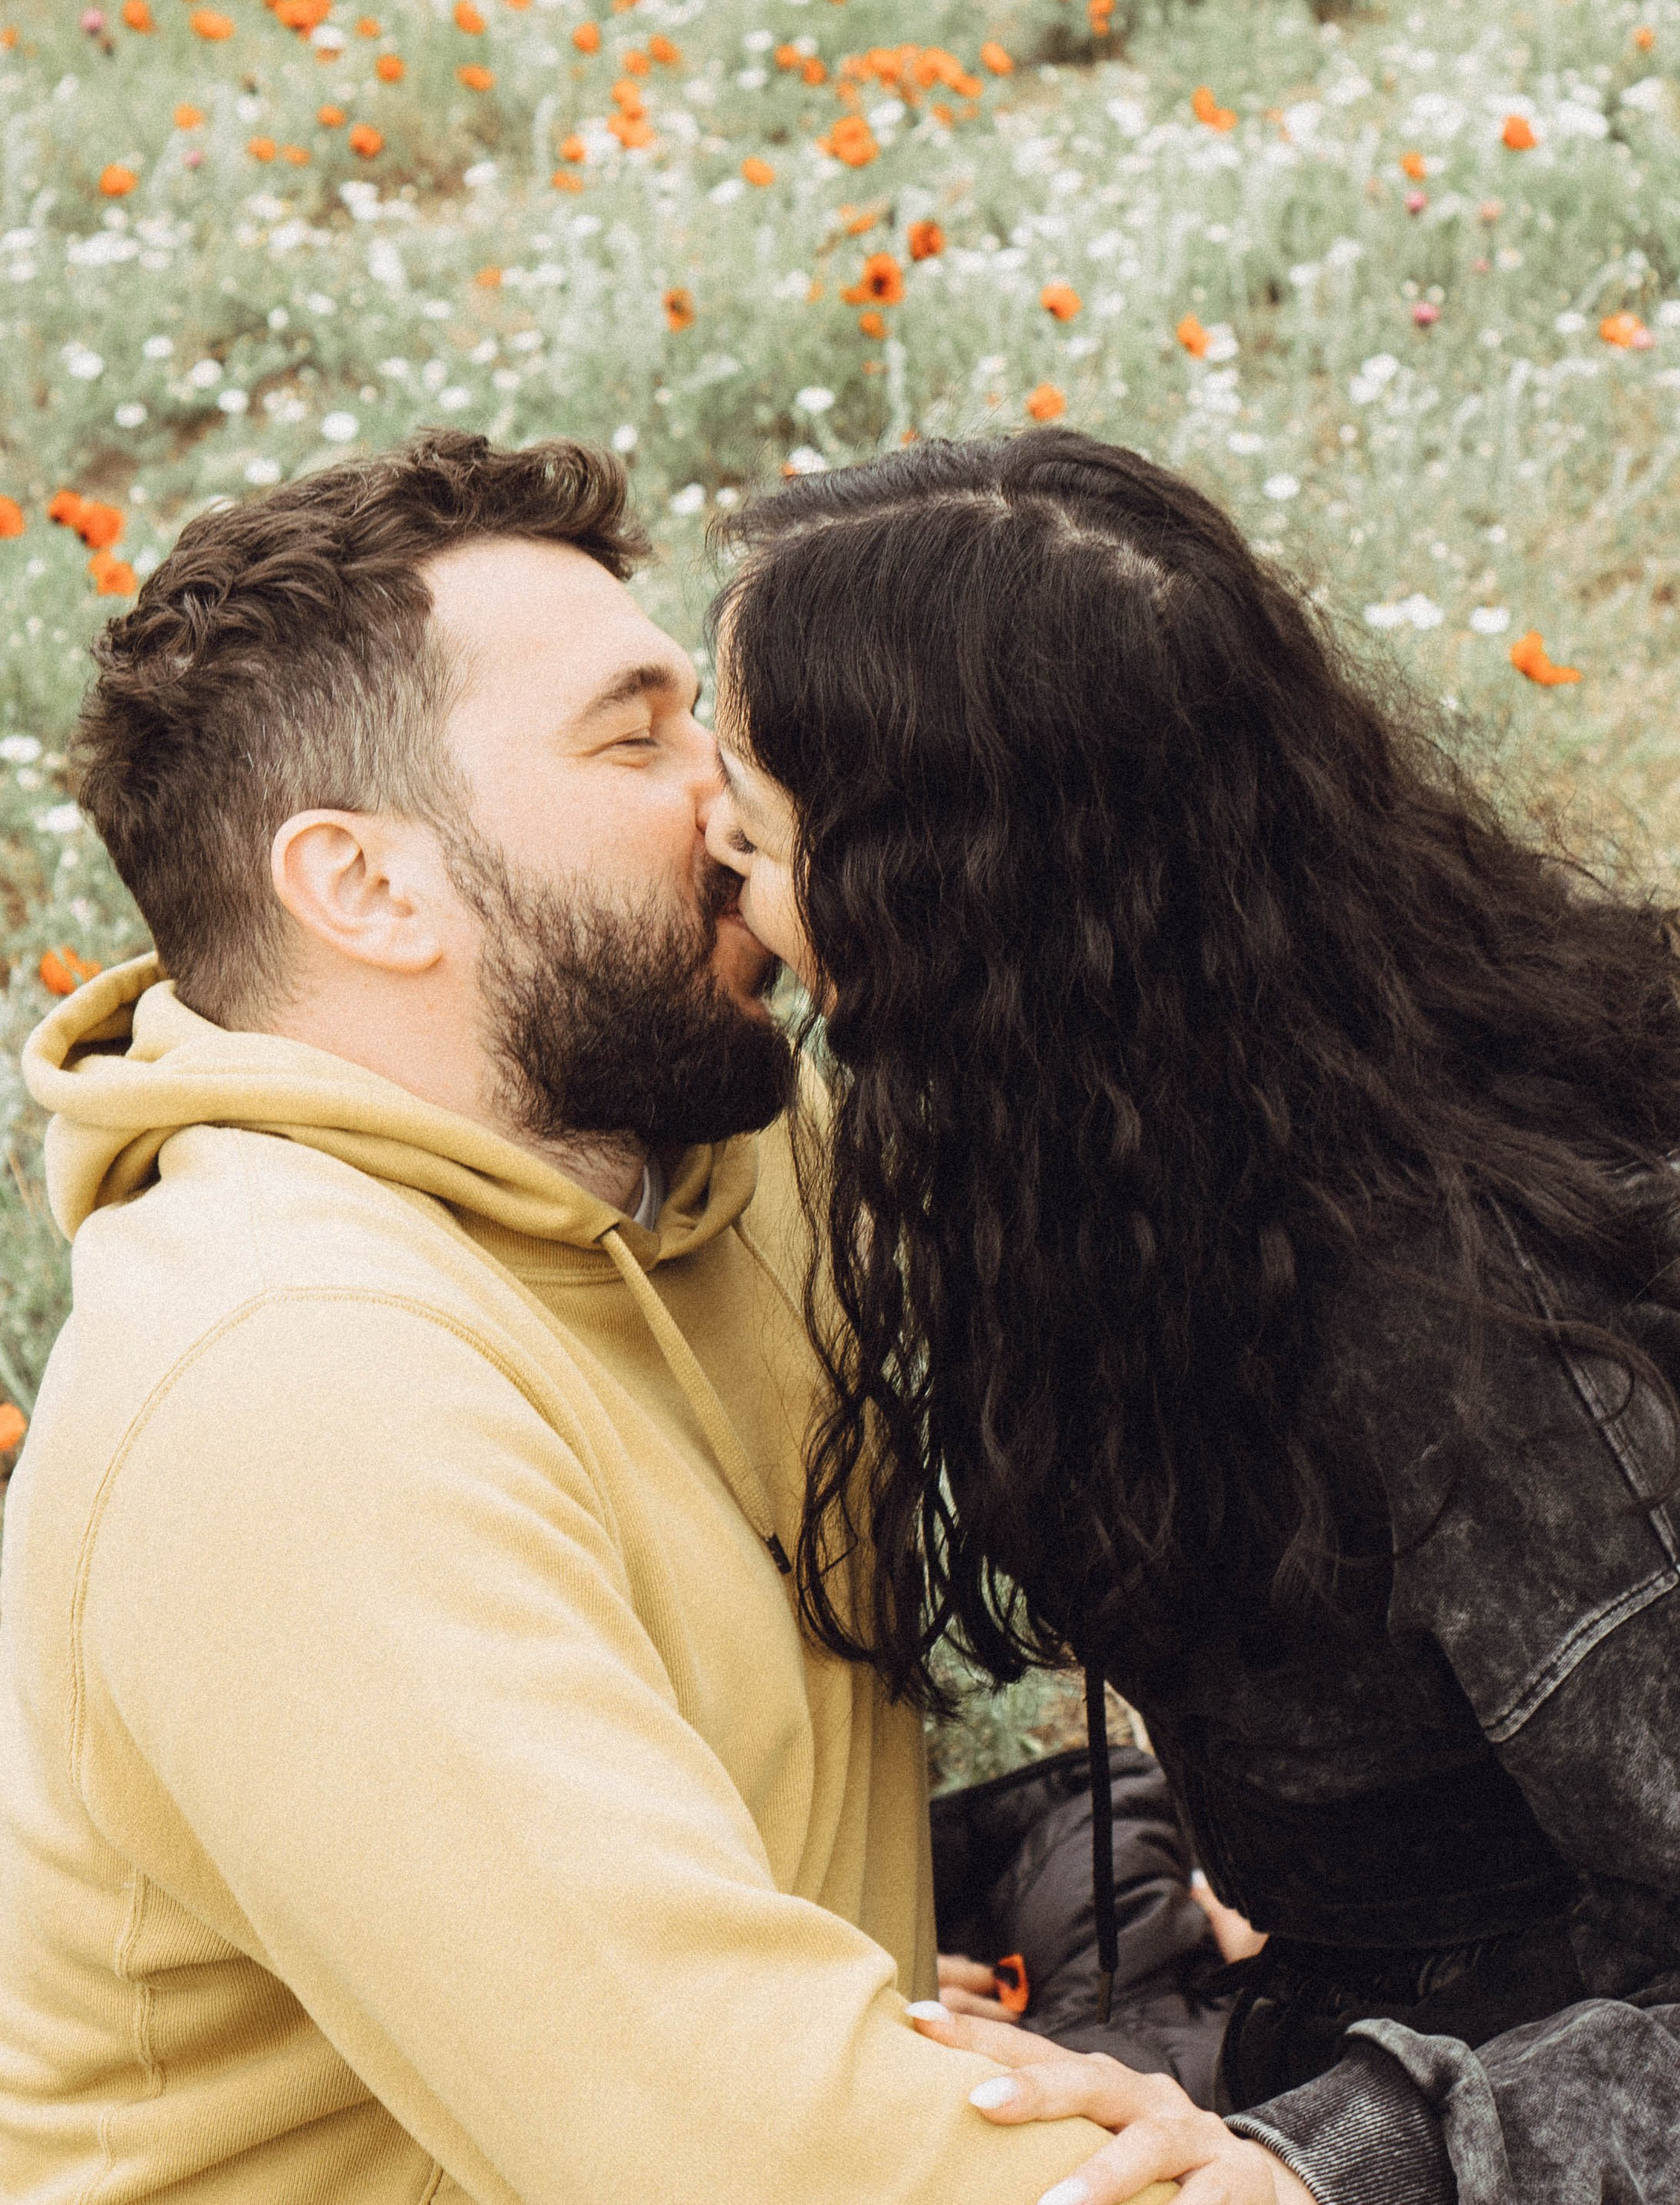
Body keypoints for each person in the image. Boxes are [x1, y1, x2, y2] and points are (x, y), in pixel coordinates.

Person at [702, 427, 1680, 2205]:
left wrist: (1316, 2165)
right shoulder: (1074, 1135)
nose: (709, 835)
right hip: (1342, 1993)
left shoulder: (1457, 1343)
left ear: (957, 910)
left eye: (755, 814)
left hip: (1653, 2126)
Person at [0, 430, 1288, 2205]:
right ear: (365, 886)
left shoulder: (694, 1141)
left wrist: (1270, 1780)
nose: (733, 793)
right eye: (637, 735)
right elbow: (744, 2154)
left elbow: (1156, 1278)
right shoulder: (286, 1397)